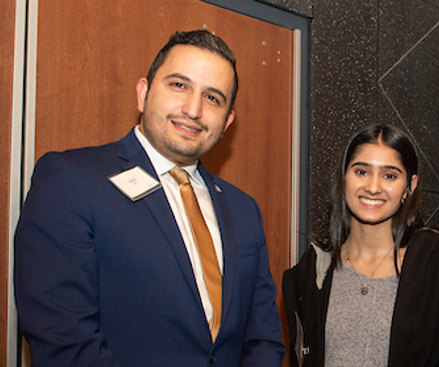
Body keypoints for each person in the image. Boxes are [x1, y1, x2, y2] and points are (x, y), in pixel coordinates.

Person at [14, 30, 284, 367]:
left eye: (213, 97)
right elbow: (64, 341)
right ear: (143, 94)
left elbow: (263, 340)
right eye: (179, 85)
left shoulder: (243, 209)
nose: (193, 109)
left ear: (227, 121)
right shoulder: (72, 180)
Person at [283, 124, 439, 367]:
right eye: (361, 172)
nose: (373, 187)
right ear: (344, 177)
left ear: (410, 186)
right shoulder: (312, 272)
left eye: (390, 176)